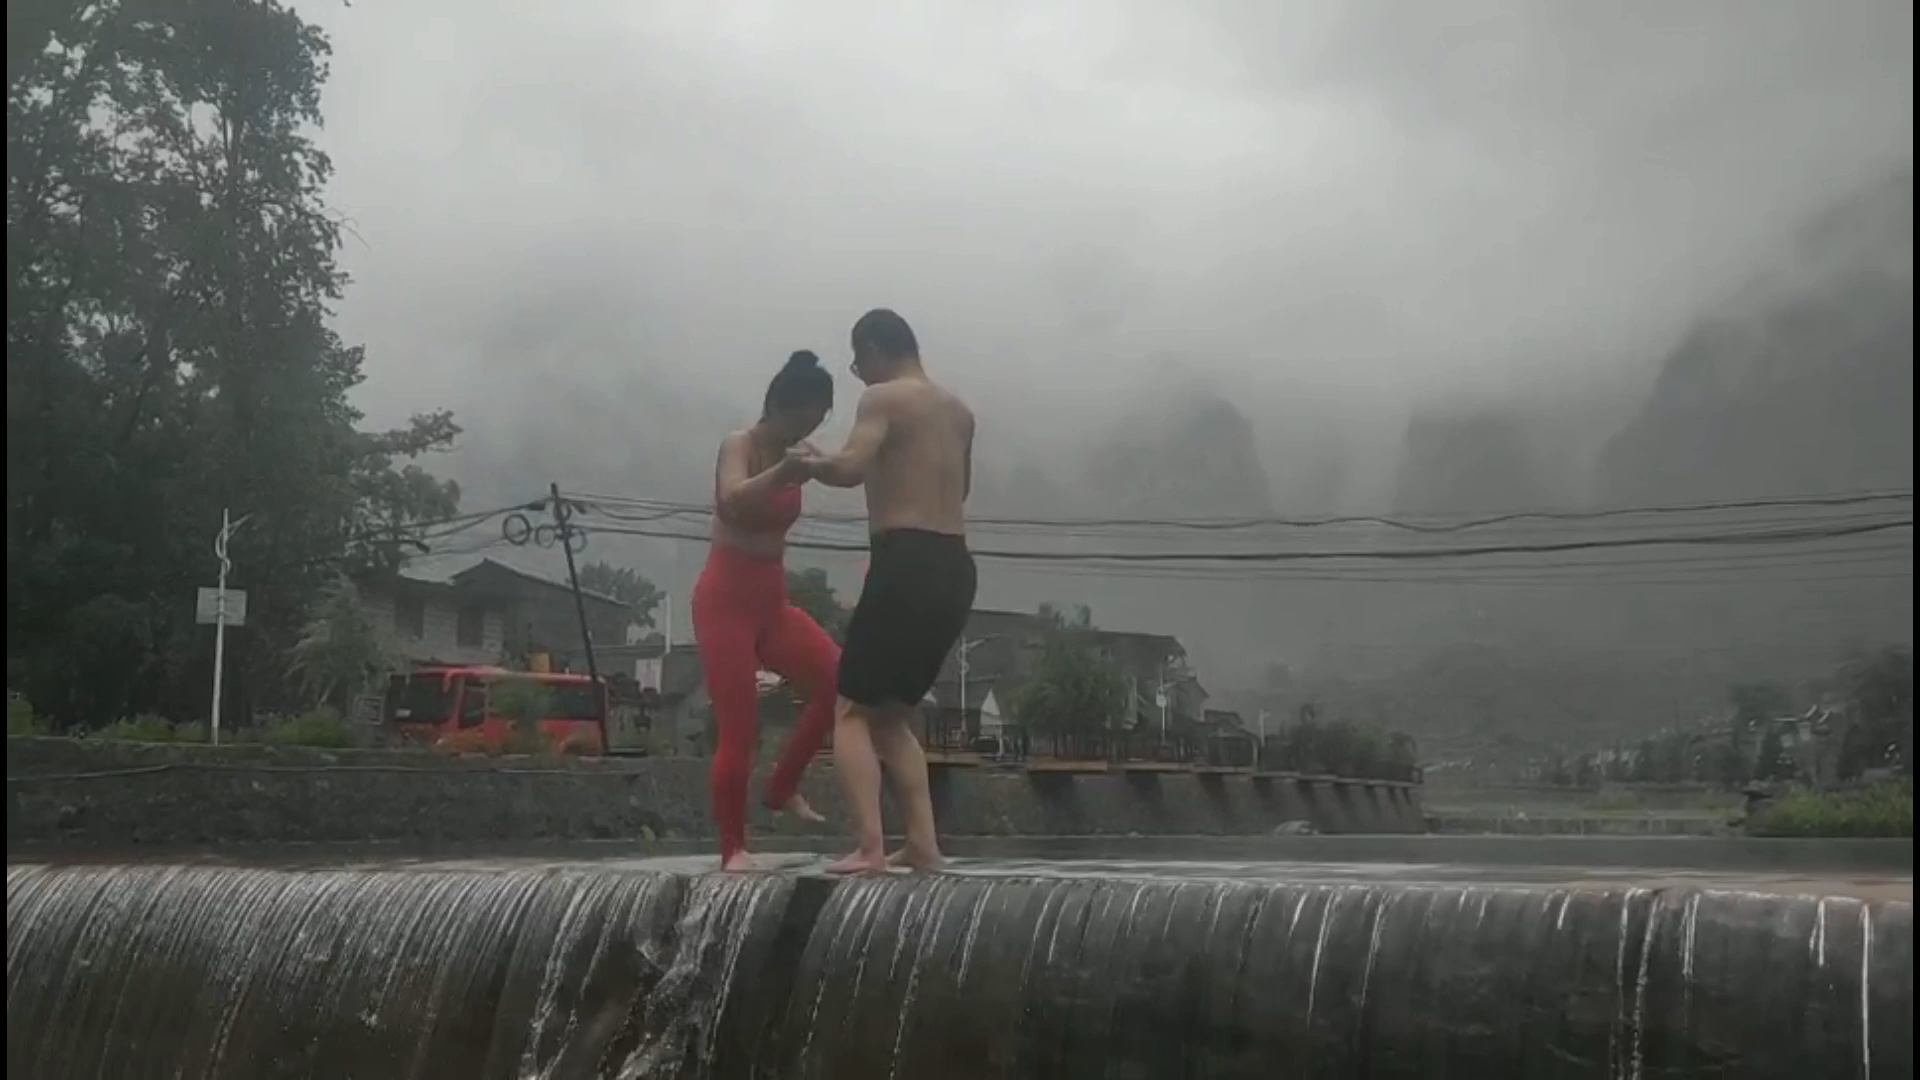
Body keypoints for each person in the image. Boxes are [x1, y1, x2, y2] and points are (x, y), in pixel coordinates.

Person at [791, 309, 977, 873]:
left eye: (857, 363)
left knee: (850, 710)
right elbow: (960, 488)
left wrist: (812, 462)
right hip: (955, 566)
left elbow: (850, 468)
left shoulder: (884, 399)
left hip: (907, 559)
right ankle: (922, 843)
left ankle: (870, 846)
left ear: (874, 348)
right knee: (892, 716)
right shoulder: (961, 412)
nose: (860, 376)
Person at [692, 349, 842, 872]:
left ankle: (782, 787)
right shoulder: (742, 444)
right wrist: (782, 472)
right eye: (811, 417)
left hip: (771, 601)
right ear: (784, 405)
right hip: (725, 601)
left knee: (839, 682)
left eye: (821, 421)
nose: (813, 428)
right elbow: (732, 499)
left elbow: (843, 469)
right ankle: (734, 848)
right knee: (740, 727)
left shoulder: (797, 453)